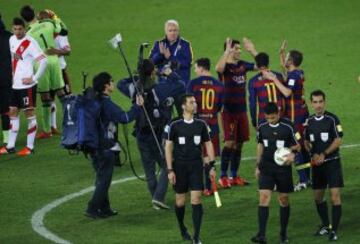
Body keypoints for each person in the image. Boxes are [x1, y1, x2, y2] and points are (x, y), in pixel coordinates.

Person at [118, 59, 185, 210]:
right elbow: (181, 85)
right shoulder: (160, 88)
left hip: (141, 133)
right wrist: (170, 73)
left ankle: (156, 197)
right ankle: (158, 197)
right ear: (153, 71)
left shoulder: (133, 88)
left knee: (149, 169)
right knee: (167, 164)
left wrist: (134, 77)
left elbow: (120, 84)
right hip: (157, 133)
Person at [85, 72, 144, 218]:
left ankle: (105, 208)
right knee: (104, 180)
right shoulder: (106, 103)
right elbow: (124, 118)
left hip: (92, 146)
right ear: (106, 86)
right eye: (111, 81)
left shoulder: (93, 101)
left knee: (101, 178)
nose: (113, 83)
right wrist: (137, 106)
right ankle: (92, 208)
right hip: (105, 147)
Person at [165, 94, 216, 244]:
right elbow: (168, 147)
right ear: (183, 106)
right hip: (179, 167)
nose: (195, 104)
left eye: (194, 102)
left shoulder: (201, 124)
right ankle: (182, 228)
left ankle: (196, 236)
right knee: (180, 201)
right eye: (191, 102)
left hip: (195, 166)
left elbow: (208, 144)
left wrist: (211, 165)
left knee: (196, 199)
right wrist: (169, 170)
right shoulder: (174, 124)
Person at [251, 102, 301, 244]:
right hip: (266, 167)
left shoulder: (288, 126)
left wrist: (292, 153)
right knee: (264, 197)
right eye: (268, 118)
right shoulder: (262, 127)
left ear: (278, 114)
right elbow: (260, 145)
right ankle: (261, 235)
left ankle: (283, 233)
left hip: (282, 168)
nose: (270, 120)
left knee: (283, 199)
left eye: (273, 118)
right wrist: (257, 165)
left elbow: (298, 145)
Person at [264, 42, 311, 191]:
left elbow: (287, 92)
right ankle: (307, 178)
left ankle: (303, 180)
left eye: (287, 58)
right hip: (303, 113)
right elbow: (286, 69)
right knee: (303, 146)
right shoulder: (299, 72)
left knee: (295, 147)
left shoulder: (292, 77)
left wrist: (274, 79)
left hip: (294, 115)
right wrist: (282, 53)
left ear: (291, 62)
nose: (285, 61)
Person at [0, 17, 47, 156]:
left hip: (27, 86)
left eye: (20, 29)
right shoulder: (11, 40)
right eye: (15, 29)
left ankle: (30, 147)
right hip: (15, 85)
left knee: (29, 114)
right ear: (12, 28)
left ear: (24, 28)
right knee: (13, 112)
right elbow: (16, 61)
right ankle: (10, 146)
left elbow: (43, 61)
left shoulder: (30, 43)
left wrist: (34, 78)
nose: (17, 31)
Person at [215, 37, 257, 188]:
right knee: (229, 142)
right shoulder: (225, 66)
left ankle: (234, 175)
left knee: (239, 144)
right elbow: (218, 69)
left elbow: (261, 66)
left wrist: (253, 51)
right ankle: (223, 176)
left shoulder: (242, 65)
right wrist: (226, 52)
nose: (239, 51)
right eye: (236, 48)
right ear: (229, 49)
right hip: (228, 111)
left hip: (242, 110)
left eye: (240, 49)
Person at [304, 90, 344, 241]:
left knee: (335, 197)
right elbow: (306, 141)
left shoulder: (333, 119)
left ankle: (334, 230)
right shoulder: (309, 122)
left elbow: (338, 140)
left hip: (332, 163)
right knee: (318, 198)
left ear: (324, 102)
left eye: (321, 101)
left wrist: (324, 154)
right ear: (311, 103)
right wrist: (311, 153)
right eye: (315, 102)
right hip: (317, 166)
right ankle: (326, 225)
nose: (318, 105)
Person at [20, 5, 65, 139]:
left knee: (45, 96)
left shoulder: (27, 35)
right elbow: (61, 28)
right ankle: (71, 122)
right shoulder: (48, 24)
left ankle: (47, 131)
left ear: (24, 18)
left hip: (40, 64)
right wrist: (54, 17)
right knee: (61, 93)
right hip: (54, 61)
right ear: (34, 13)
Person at [186, 58, 224, 196]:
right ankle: (209, 187)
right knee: (209, 157)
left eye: (196, 68)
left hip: (196, 126)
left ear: (201, 69)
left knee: (197, 157)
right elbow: (219, 107)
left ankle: (198, 186)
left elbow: (188, 104)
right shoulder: (219, 85)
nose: (195, 71)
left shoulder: (193, 83)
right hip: (212, 125)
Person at [38, 9, 72, 135]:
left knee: (67, 98)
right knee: (49, 99)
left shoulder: (60, 34)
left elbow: (68, 51)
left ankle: (70, 124)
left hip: (61, 70)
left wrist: (55, 52)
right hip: (47, 70)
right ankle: (51, 127)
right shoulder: (41, 34)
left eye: (43, 20)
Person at [149, 19, 193, 84]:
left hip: (181, 83)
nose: (173, 33)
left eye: (175, 30)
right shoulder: (159, 44)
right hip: (163, 83)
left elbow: (188, 63)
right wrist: (160, 54)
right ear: (166, 31)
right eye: (170, 30)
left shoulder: (185, 44)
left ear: (178, 31)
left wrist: (171, 60)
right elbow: (151, 62)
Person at [248, 52, 285, 128]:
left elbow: (252, 104)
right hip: (280, 116)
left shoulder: (253, 81)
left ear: (257, 65)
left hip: (264, 118)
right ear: (268, 63)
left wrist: (254, 121)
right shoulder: (278, 76)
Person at [0, 14, 12, 147]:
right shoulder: (10, 37)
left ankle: (7, 139)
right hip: (7, 77)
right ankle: (7, 139)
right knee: (5, 109)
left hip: (5, 78)